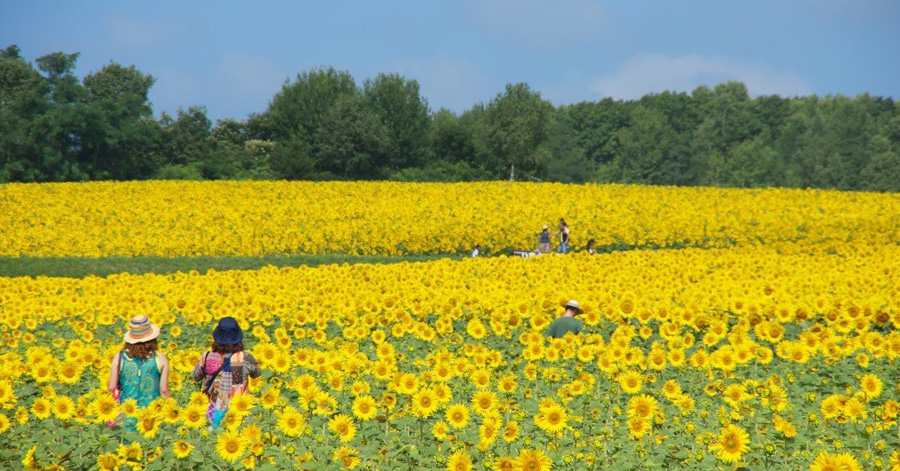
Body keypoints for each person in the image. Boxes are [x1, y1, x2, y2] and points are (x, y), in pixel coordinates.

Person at [192, 317, 261, 428]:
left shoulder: (208, 357)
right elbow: (257, 373)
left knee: (212, 439)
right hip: (240, 410)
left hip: (212, 411)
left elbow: (195, 376)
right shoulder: (245, 358)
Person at [108, 315, 170, 431]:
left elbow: (112, 386)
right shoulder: (160, 358)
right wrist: (170, 411)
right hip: (151, 418)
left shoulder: (120, 357)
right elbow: (164, 391)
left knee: (125, 446)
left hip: (126, 415)